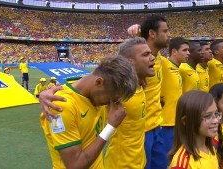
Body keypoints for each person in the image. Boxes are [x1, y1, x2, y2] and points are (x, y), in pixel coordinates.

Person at [40, 55, 138, 169]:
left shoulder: (93, 92)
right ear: (98, 82)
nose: (111, 104)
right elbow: (75, 165)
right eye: (110, 98)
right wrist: (110, 127)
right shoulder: (61, 106)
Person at [104, 37, 155, 169]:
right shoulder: (117, 90)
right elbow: (83, 87)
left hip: (140, 162)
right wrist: (48, 93)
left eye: (150, 53)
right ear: (129, 62)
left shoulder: (138, 85)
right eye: (146, 54)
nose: (152, 57)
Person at [128, 15, 171, 169]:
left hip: (156, 126)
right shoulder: (134, 60)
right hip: (141, 131)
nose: (169, 34)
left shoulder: (159, 58)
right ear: (152, 34)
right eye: (165, 31)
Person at [168, 91, 220, 169]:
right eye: (207, 116)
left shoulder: (211, 147)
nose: (216, 120)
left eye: (216, 114)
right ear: (186, 121)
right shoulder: (182, 164)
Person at [160, 37, 190, 158]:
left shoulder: (178, 69)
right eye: (185, 50)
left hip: (177, 121)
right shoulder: (164, 64)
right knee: (167, 158)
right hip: (166, 123)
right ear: (174, 52)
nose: (188, 53)